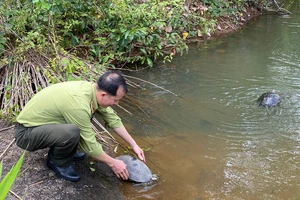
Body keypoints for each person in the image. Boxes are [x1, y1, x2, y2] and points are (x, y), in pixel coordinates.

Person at [14, 71, 145, 182]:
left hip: (44, 126)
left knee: (75, 129)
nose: (116, 103)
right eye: (115, 100)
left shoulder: (92, 90)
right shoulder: (78, 104)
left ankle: (67, 150)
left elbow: (113, 119)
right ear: (103, 95)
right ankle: (57, 162)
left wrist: (133, 144)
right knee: (72, 132)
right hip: (26, 134)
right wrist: (113, 163)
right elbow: (90, 144)